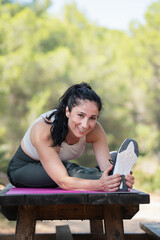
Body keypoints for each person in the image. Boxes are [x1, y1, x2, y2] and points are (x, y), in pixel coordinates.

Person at [7, 82, 138, 192]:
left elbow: (106, 168)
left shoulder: (95, 130)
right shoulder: (45, 130)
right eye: (80, 115)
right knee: (69, 170)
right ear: (68, 111)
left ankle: (118, 176)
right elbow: (63, 181)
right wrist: (100, 185)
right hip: (23, 169)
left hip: (59, 170)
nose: (85, 124)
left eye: (93, 118)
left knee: (112, 163)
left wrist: (121, 177)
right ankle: (116, 178)